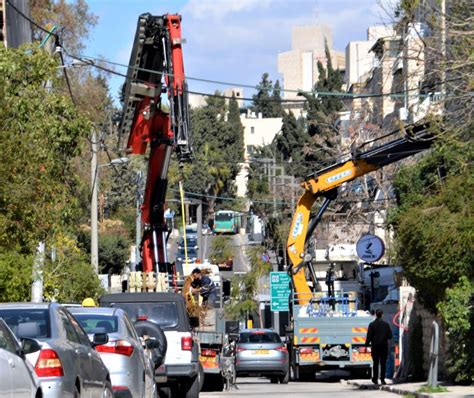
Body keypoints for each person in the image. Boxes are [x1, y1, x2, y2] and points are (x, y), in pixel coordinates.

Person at [365, 308, 393, 385]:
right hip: (384, 346)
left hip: (375, 346)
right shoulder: (386, 325)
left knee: (375, 363)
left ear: (375, 315)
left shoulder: (371, 325)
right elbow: (390, 336)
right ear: (382, 315)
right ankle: (383, 379)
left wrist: (366, 345)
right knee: (383, 363)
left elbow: (369, 336)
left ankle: (375, 379)